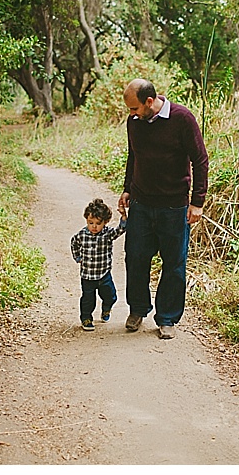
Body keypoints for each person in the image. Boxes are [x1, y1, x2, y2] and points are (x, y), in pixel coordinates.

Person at [119, 78, 208, 340]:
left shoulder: (182, 119)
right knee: (135, 258)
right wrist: (127, 189)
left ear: (149, 101)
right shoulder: (134, 122)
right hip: (141, 203)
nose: (131, 114)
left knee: (174, 264)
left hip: (174, 205)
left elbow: (200, 160)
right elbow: (133, 156)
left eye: (134, 108)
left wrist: (197, 202)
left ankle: (167, 318)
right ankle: (137, 309)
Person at [70, 197, 127, 331]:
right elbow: (74, 242)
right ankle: (86, 318)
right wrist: (78, 257)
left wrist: (124, 217)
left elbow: (120, 230)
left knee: (111, 296)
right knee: (88, 299)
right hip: (87, 276)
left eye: (98, 223)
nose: (94, 227)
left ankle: (106, 307)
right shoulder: (82, 234)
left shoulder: (107, 234)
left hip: (104, 274)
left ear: (105, 222)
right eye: (91, 223)